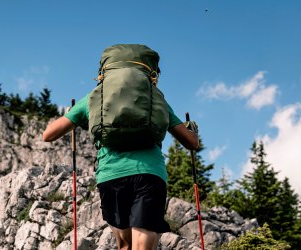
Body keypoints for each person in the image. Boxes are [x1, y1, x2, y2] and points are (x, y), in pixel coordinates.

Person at [41, 81, 199, 249]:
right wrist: (193, 131)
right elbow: (191, 142)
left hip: (111, 176)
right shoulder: (154, 99)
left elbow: (48, 135)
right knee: (145, 238)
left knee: (125, 244)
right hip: (149, 173)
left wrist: (73, 115)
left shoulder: (94, 98)